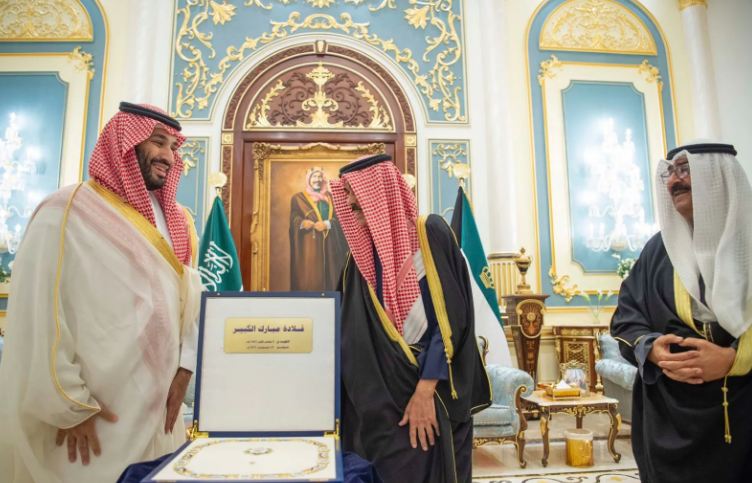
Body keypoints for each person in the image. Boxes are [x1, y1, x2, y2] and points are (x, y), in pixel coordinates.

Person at [0, 102, 203, 483]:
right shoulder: (65, 211)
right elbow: (41, 313)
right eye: (157, 142)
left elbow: (188, 301)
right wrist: (68, 405)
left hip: (160, 412)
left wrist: (184, 371)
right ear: (124, 144)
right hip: (94, 417)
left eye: (173, 147)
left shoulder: (177, 220)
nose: (168, 156)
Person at [330, 154, 491, 483]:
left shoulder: (428, 235)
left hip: (425, 394)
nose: (349, 205)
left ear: (379, 195)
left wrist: (425, 391)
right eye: (346, 196)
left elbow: (450, 320)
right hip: (377, 408)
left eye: (355, 197)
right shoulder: (356, 263)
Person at [611, 142, 752, 482]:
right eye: (670, 172)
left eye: (686, 170)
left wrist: (734, 359)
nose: (674, 180)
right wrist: (651, 349)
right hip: (668, 417)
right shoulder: (657, 250)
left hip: (742, 409)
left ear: (718, 177)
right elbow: (627, 318)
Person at [289, 167, 347, 291]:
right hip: (310, 247)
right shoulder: (298, 198)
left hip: (331, 246)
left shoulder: (332, 197)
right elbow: (294, 219)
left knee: (333, 281)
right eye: (314, 176)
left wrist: (327, 224)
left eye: (320, 176)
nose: (317, 179)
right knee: (310, 280)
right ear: (309, 179)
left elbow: (342, 220)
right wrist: (302, 223)